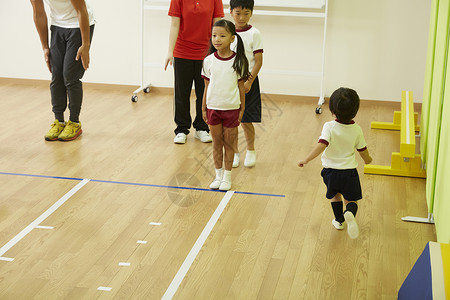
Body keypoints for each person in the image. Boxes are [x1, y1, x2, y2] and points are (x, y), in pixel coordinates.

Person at [298, 88, 373, 239]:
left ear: (332, 110)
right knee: (351, 199)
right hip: (349, 172)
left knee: (335, 196)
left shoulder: (329, 126)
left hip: (330, 172)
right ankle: (349, 212)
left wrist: (306, 159)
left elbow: (321, 145)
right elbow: (362, 150)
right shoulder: (356, 129)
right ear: (355, 110)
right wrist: (368, 160)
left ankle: (339, 221)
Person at [30, 0, 95, 141]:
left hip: (79, 24)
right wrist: (45, 47)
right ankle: (59, 121)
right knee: (56, 75)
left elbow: (81, 10)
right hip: (58, 26)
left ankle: (74, 122)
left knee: (70, 76)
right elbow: (38, 13)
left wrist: (85, 45)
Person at [165, 0, 224, 144]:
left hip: (206, 53)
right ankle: (181, 129)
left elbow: (217, 27)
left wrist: (218, 52)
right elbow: (174, 24)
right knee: (181, 92)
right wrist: (169, 51)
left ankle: (202, 128)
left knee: (204, 92)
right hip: (182, 51)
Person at [201, 19, 250, 191]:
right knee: (216, 143)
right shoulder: (208, 61)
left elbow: (241, 87)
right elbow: (206, 87)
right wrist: (203, 107)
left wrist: (242, 108)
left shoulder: (239, 61)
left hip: (231, 109)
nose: (217, 39)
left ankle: (227, 177)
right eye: (214, 35)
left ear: (232, 38)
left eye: (222, 35)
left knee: (229, 144)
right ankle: (218, 176)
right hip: (213, 108)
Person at [229, 0, 263, 168]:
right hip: (229, 83)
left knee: (245, 120)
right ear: (230, 12)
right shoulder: (226, 32)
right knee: (231, 121)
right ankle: (234, 153)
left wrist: (249, 82)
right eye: (238, 13)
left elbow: (258, 62)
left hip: (247, 82)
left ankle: (250, 150)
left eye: (246, 14)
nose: (241, 17)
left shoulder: (254, 33)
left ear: (251, 13)